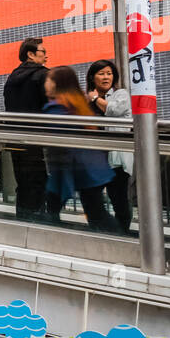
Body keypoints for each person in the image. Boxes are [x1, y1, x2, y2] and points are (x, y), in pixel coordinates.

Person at [42, 66, 117, 232]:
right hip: (90, 168)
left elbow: (57, 144)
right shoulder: (78, 104)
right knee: (96, 211)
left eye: (48, 80)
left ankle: (123, 243)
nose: (45, 84)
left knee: (94, 213)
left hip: (73, 169)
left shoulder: (57, 109)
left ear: (57, 84)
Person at [3, 37, 51, 220]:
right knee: (39, 183)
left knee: (23, 183)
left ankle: (22, 223)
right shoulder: (44, 75)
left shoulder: (12, 77)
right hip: (39, 140)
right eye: (43, 52)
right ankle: (38, 225)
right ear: (30, 54)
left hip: (16, 140)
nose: (46, 56)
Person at [85, 59, 133, 232]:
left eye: (109, 73)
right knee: (91, 196)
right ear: (92, 77)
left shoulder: (121, 94)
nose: (106, 77)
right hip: (95, 157)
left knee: (118, 198)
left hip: (115, 157)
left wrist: (96, 98)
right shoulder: (86, 100)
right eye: (101, 73)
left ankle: (122, 232)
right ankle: (100, 229)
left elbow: (113, 110)